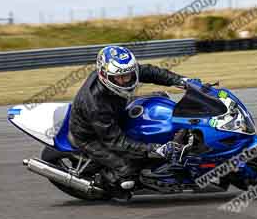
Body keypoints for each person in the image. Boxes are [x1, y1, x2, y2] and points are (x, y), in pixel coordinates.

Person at [68, 45, 192, 193]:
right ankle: (104, 183)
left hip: (116, 113)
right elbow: (115, 141)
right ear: (104, 75)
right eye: (119, 78)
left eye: (128, 75)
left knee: (159, 98)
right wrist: (153, 149)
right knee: (128, 170)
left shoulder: (121, 72)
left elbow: (151, 72)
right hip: (91, 136)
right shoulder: (95, 104)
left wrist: (181, 81)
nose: (125, 81)